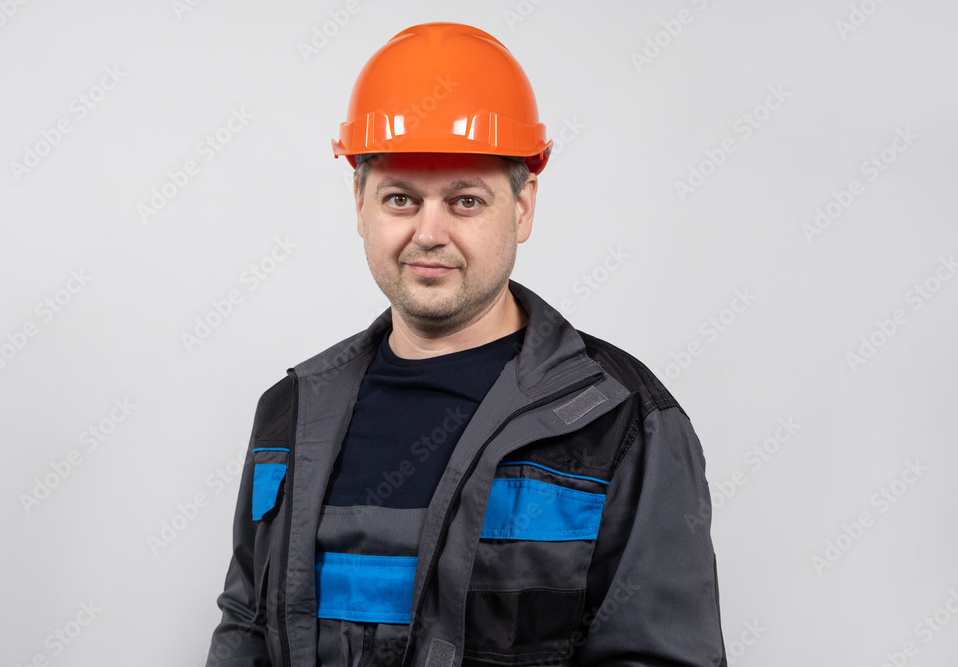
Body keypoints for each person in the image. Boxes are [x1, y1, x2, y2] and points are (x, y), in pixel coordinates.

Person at [206, 22, 727, 667]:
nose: (429, 233)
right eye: (401, 199)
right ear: (360, 204)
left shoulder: (620, 421)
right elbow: (247, 629)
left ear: (523, 206)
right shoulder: (289, 413)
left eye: (466, 201)